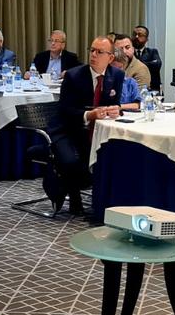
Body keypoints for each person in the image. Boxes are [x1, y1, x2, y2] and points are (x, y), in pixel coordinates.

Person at [46, 36, 124, 215]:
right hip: (66, 129)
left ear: (111, 57)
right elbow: (65, 110)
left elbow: (114, 103)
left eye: (99, 52)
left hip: (95, 130)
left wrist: (115, 110)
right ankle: (74, 198)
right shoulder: (74, 76)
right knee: (70, 160)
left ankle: (103, 202)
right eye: (92, 50)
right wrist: (89, 115)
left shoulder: (117, 75)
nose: (94, 55)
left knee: (113, 155)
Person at [132, 25, 163, 92]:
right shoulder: (129, 53)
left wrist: (135, 66)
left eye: (140, 35)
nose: (136, 37)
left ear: (146, 39)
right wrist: (149, 63)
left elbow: (157, 65)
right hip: (132, 89)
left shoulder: (152, 52)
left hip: (152, 89)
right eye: (134, 34)